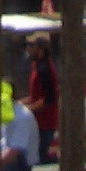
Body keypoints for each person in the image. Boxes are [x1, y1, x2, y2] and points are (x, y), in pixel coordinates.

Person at [22, 35, 61, 163]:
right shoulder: (37, 67)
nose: (28, 49)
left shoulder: (45, 69)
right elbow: (36, 96)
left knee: (40, 156)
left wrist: (28, 109)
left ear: (41, 49)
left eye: (31, 45)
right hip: (36, 122)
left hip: (44, 123)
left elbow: (49, 98)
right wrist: (20, 103)